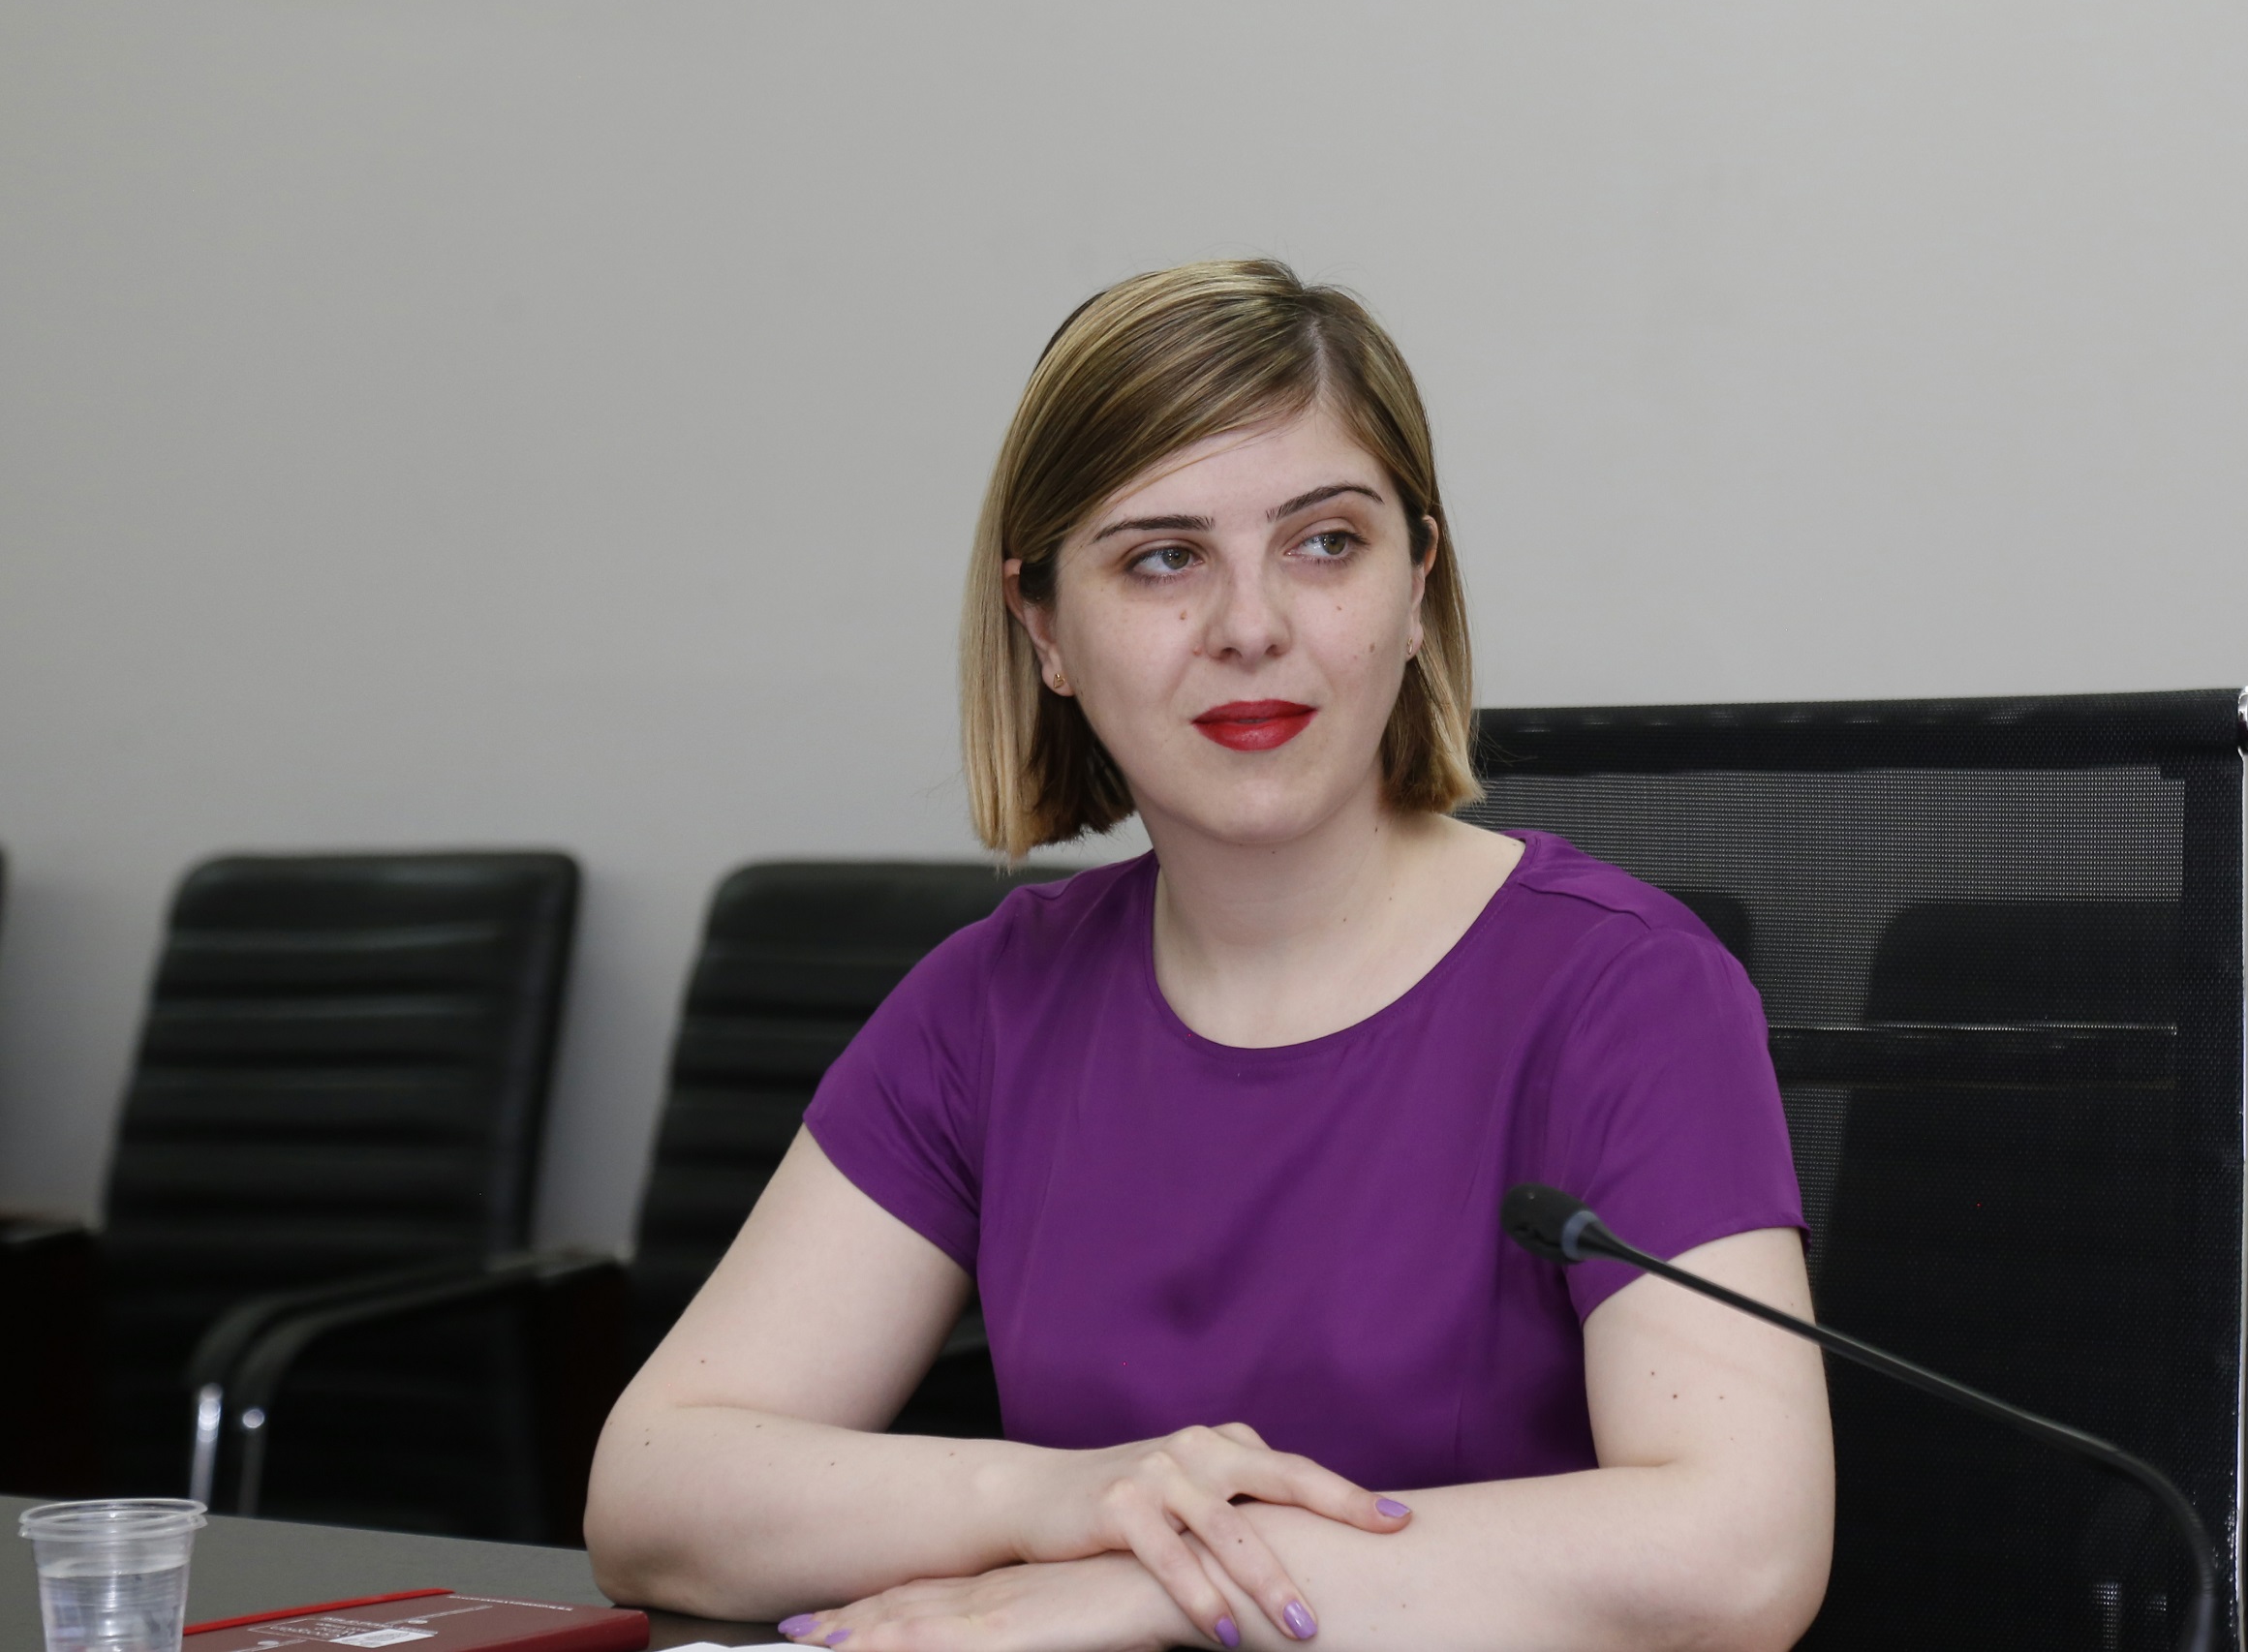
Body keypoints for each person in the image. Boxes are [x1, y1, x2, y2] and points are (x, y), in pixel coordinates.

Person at [585, 260, 1834, 1652]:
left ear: (1418, 586)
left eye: (1325, 542)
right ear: (1045, 626)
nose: (1252, 627)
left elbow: (1739, 1555)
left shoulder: (1626, 988)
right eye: (1162, 558)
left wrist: (1156, 1585)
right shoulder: (991, 1003)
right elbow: (653, 1492)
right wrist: (1069, 1498)